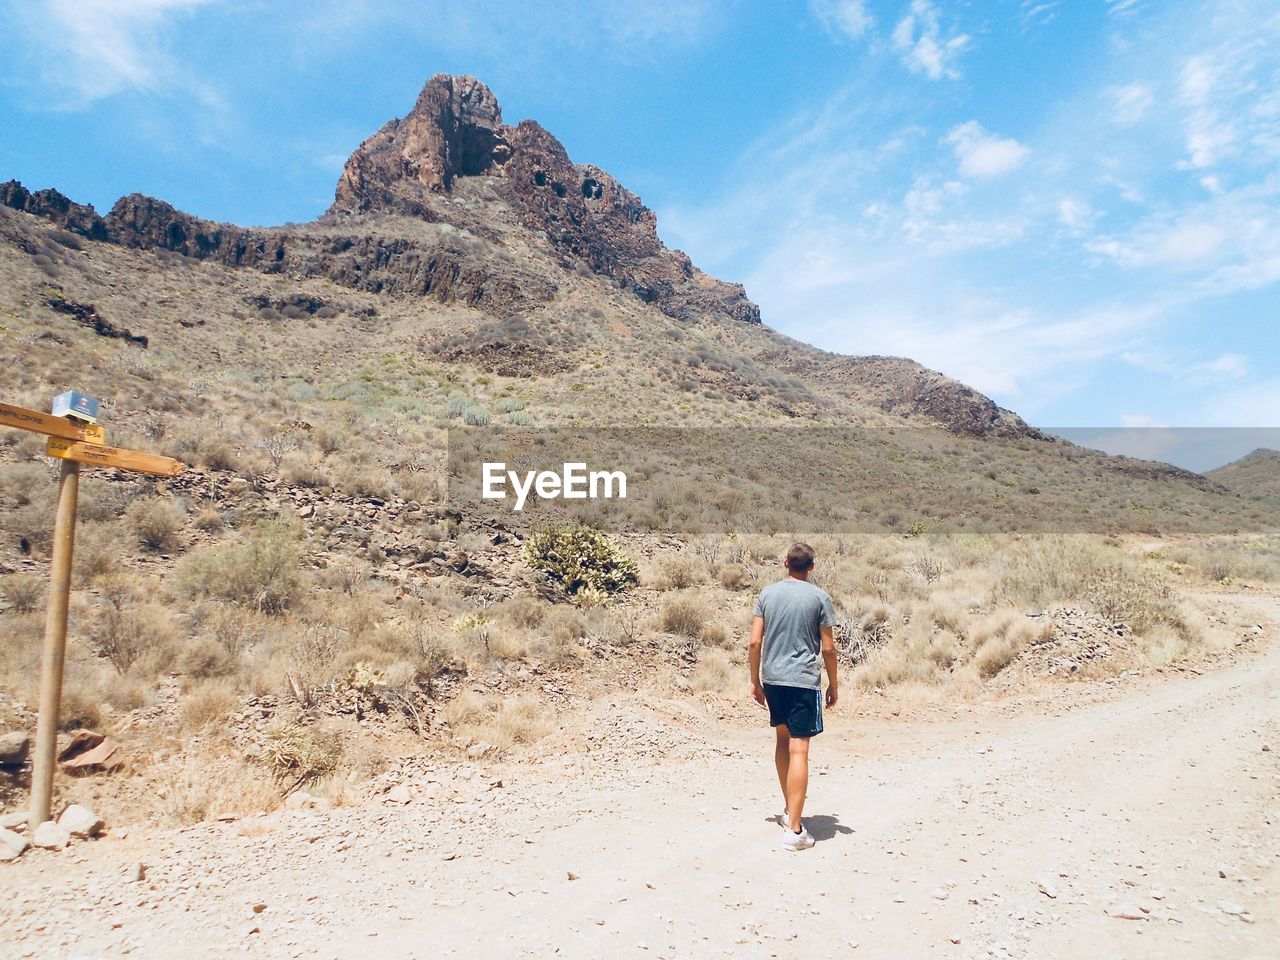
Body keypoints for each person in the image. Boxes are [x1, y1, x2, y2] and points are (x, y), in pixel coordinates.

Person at [749, 542, 837, 851]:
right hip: (802, 681)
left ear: (786, 562)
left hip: (773, 678)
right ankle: (795, 830)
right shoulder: (819, 598)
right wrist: (833, 684)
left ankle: (790, 808)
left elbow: (754, 642)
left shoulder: (767, 595)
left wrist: (755, 681)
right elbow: (827, 648)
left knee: (782, 741)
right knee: (800, 750)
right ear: (811, 566)